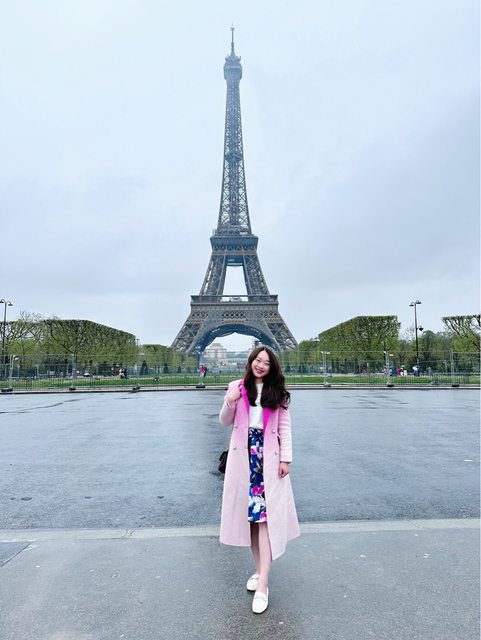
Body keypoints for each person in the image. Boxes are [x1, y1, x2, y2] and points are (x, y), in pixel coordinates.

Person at [219, 346, 300, 614]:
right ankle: (258, 570)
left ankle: (263, 583)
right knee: (253, 521)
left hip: (268, 459)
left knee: (265, 520)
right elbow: (224, 421)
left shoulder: (278, 393)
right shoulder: (237, 387)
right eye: (257, 360)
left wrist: (286, 459)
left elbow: (285, 428)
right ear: (251, 361)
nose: (260, 365)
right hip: (244, 458)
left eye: (266, 362)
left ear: (271, 367)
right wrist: (230, 400)